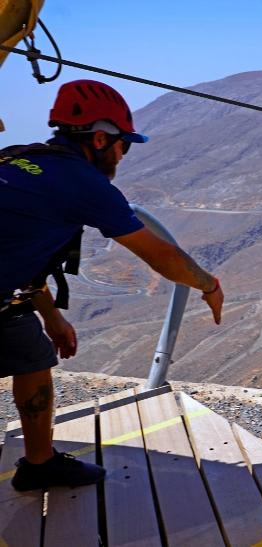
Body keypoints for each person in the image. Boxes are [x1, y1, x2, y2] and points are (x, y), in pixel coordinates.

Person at [0, 79, 224, 491]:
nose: (123, 153)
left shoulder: (19, 158)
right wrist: (208, 284)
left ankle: (40, 464)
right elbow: (162, 256)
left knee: (33, 357)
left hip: (6, 298)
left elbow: (20, 251)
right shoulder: (85, 183)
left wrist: (52, 318)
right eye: (125, 143)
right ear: (100, 138)